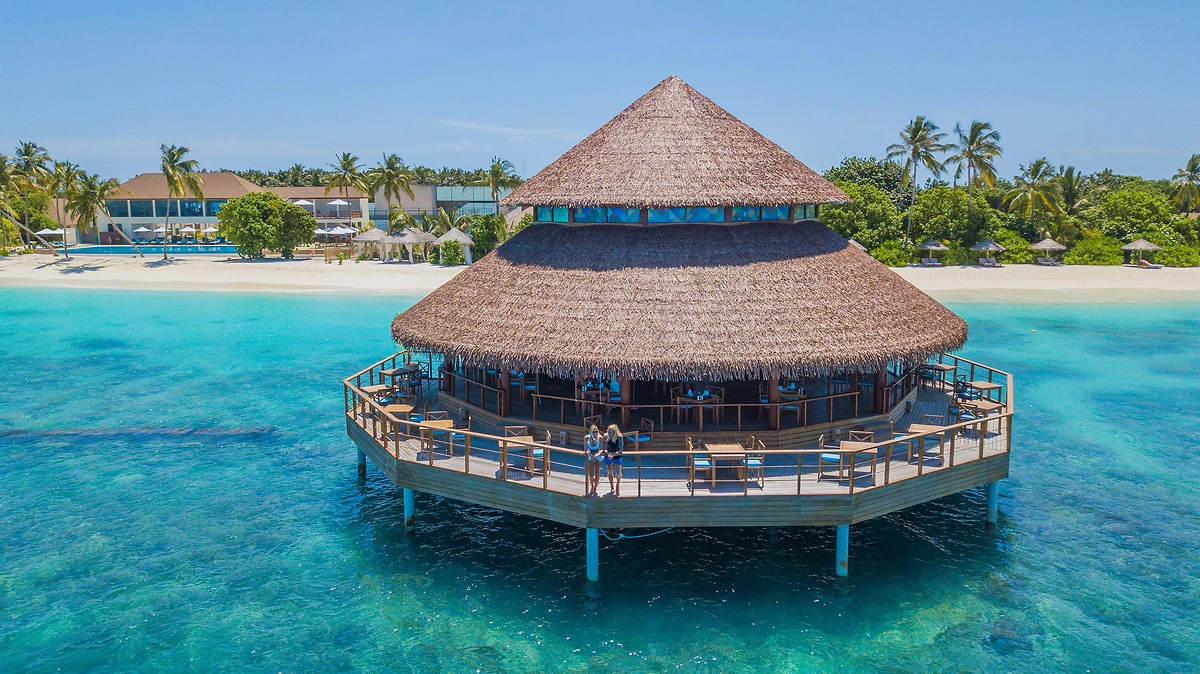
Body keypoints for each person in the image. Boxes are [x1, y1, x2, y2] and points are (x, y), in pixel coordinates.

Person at [604, 423, 624, 496]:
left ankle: (618, 484)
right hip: (609, 455)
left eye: (610, 431)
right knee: (609, 471)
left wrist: (614, 454)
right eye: (608, 430)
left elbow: (621, 450)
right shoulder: (606, 436)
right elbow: (605, 448)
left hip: (617, 455)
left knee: (618, 472)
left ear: (614, 431)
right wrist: (607, 453)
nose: (608, 432)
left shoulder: (619, 437)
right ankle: (612, 487)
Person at [584, 425, 604, 497]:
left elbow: (601, 449)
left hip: (598, 456)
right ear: (590, 432)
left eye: (596, 431)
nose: (595, 433)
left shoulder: (600, 438)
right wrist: (590, 454)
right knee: (591, 474)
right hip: (590, 456)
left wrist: (596, 455)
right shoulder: (587, 438)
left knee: (597, 472)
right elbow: (585, 449)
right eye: (593, 432)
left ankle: (595, 488)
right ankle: (592, 485)